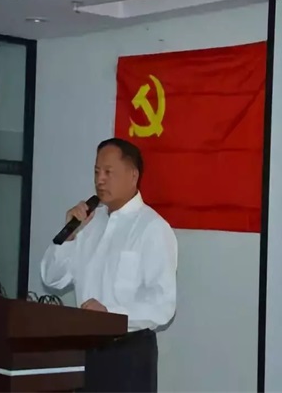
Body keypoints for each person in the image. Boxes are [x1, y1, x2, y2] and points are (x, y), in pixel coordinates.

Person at [40, 137, 178, 392]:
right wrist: (68, 236)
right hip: (84, 351)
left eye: (108, 172)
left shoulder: (153, 228)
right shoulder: (89, 223)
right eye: (96, 172)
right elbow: (51, 277)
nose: (99, 180)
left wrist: (110, 314)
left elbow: (163, 304)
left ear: (133, 175)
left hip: (128, 354)